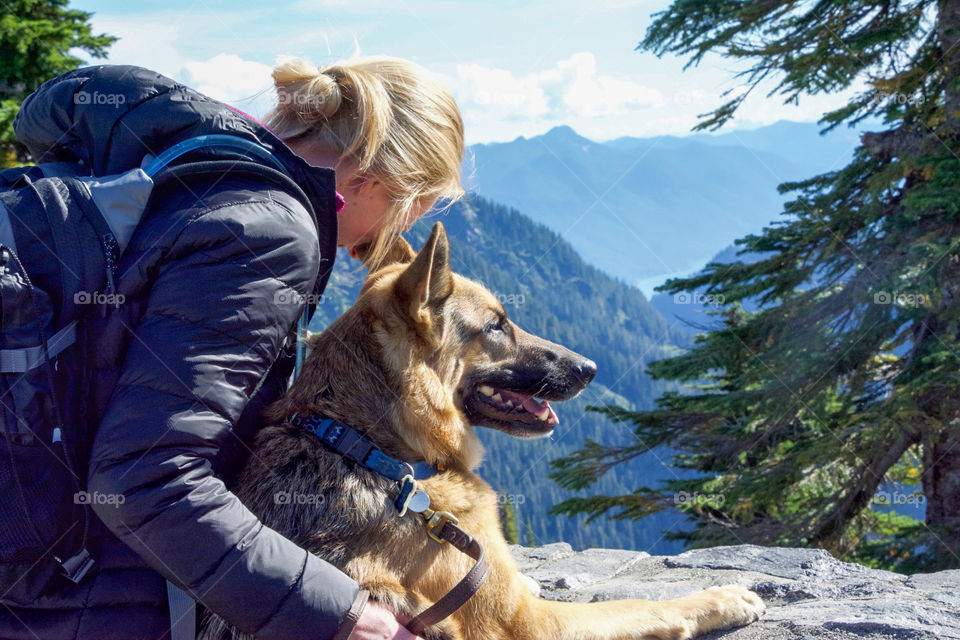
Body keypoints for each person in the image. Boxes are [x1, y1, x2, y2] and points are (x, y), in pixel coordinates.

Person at [0, 55, 464, 640]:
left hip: (37, 553)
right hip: (95, 596)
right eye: (408, 209)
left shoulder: (189, 163)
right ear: (373, 179)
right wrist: (343, 615)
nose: (386, 239)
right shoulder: (268, 229)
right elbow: (145, 478)